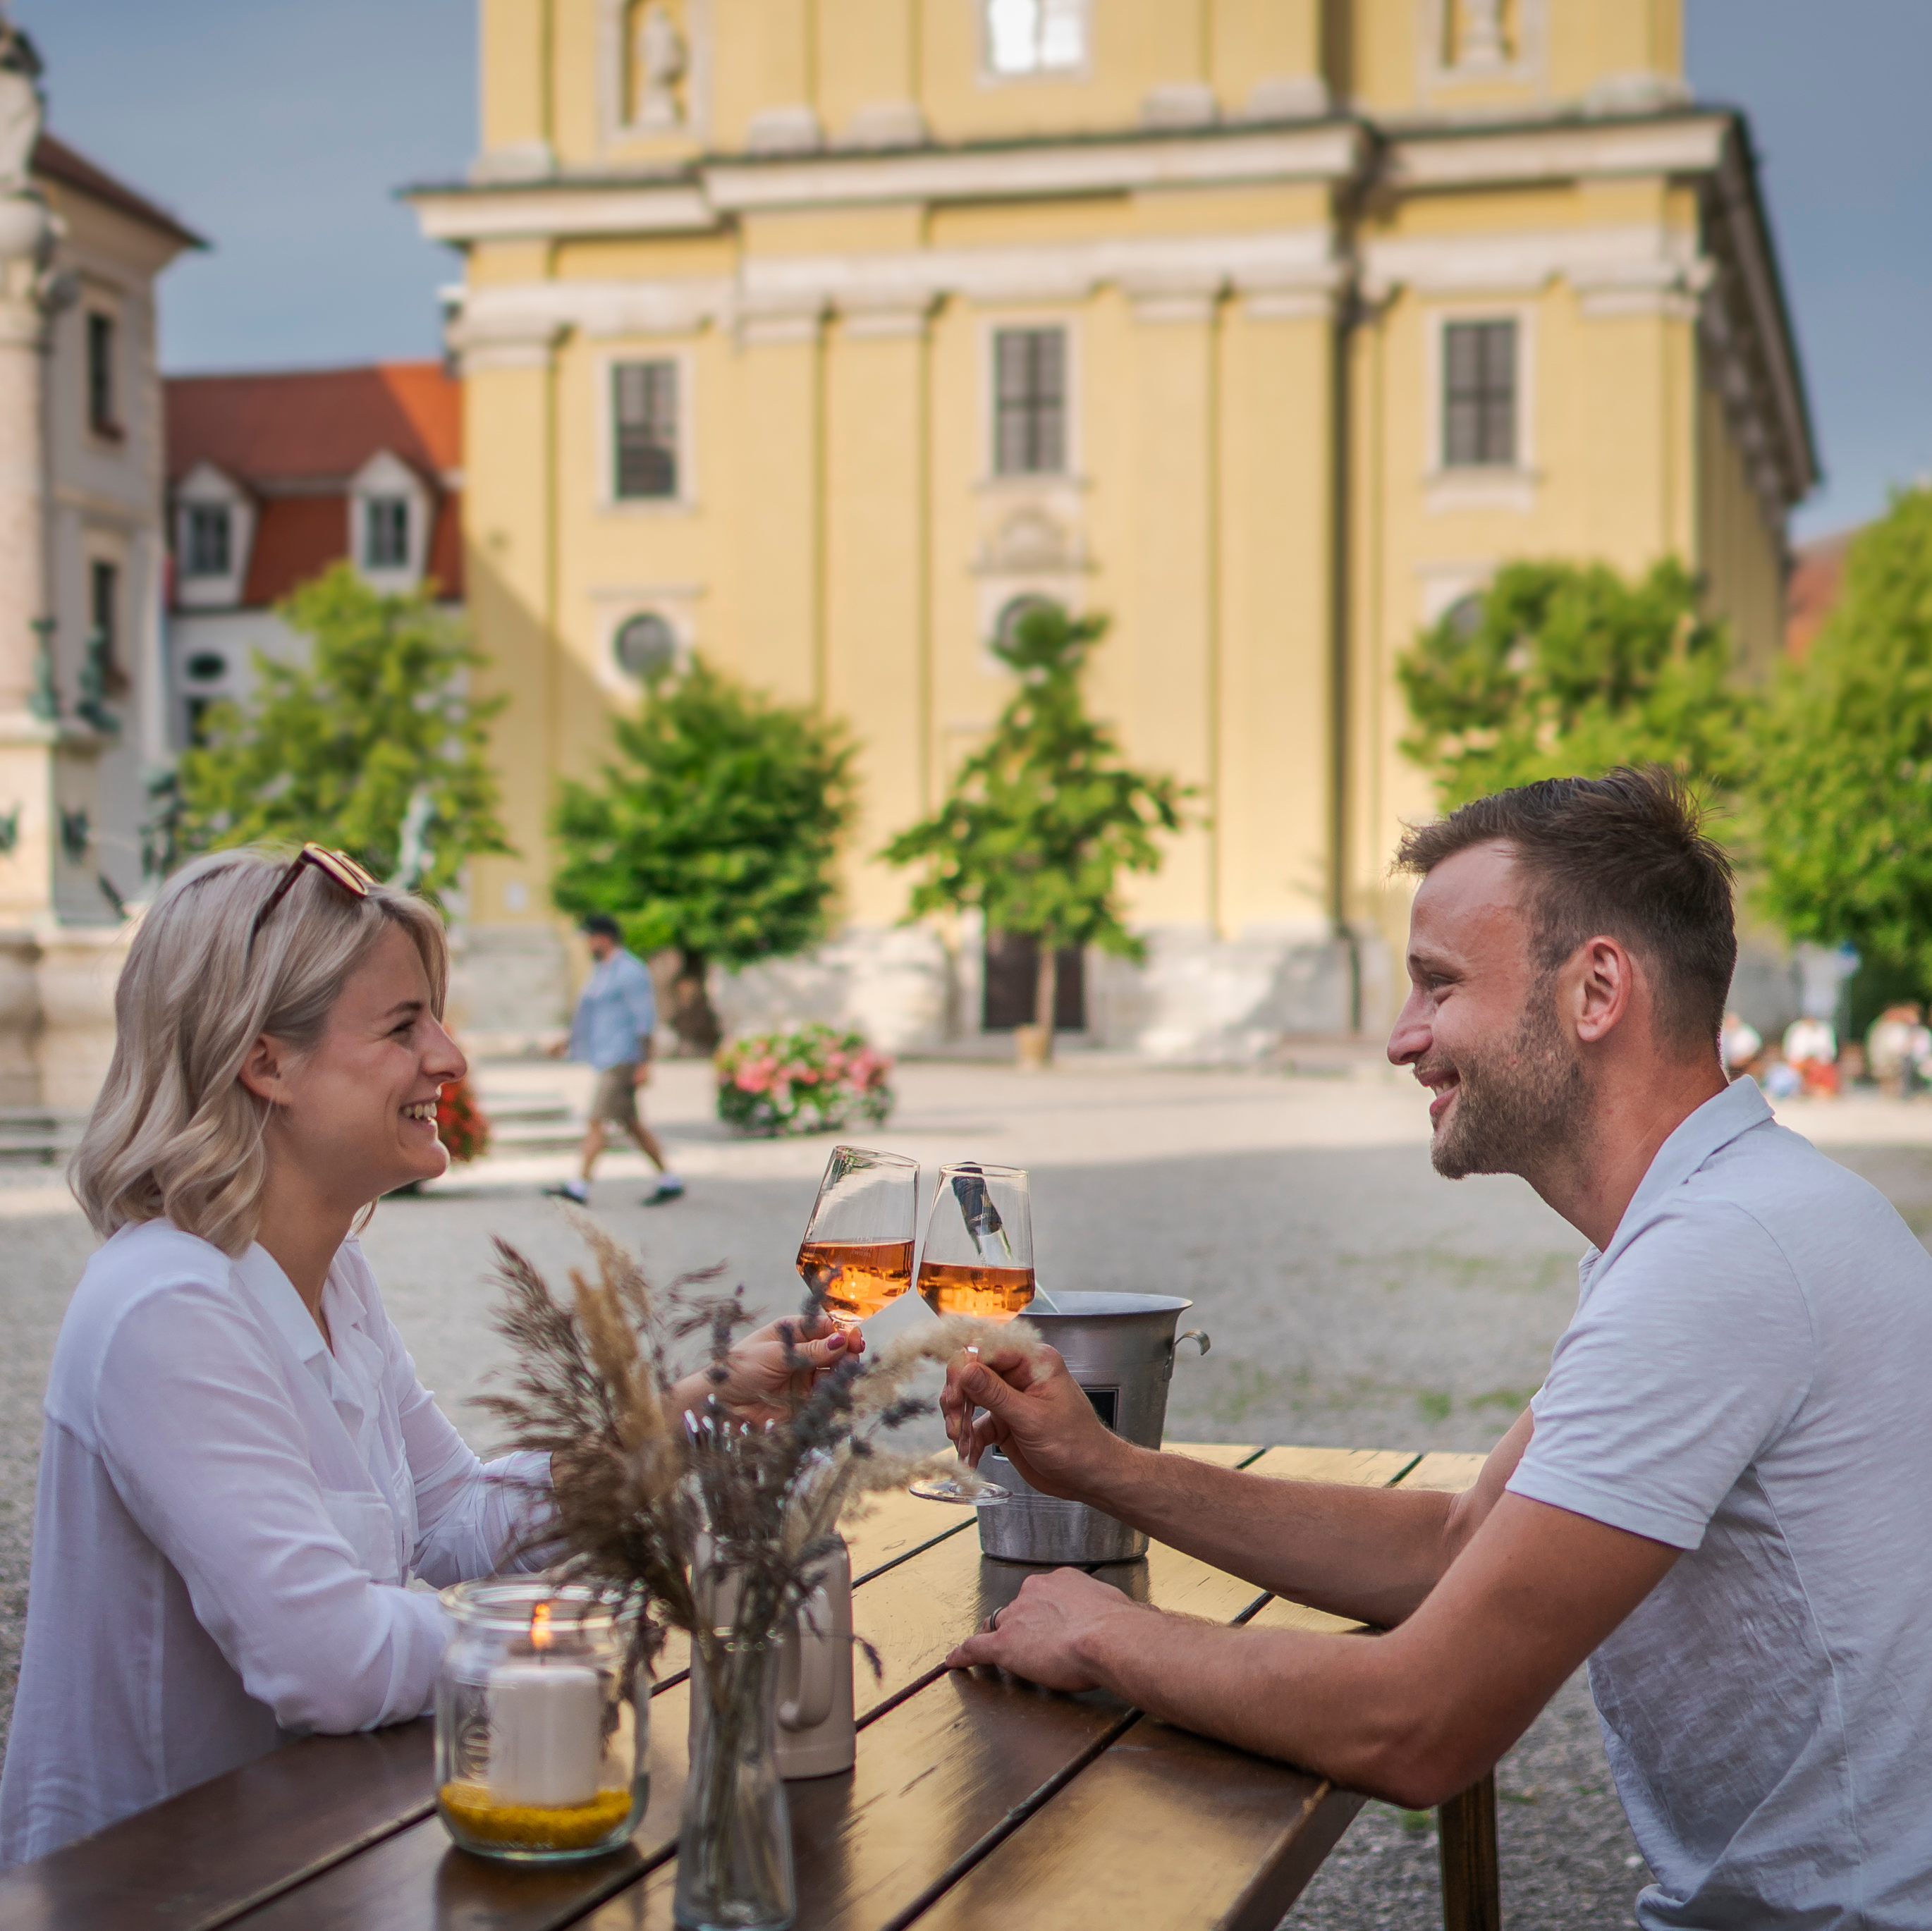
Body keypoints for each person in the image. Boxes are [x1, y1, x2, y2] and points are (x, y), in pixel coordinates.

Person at [941, 769, 1932, 1929]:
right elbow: (1460, 1542)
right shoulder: (1731, 1211)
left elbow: (1417, 1724)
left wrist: (1106, 1630)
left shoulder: (1721, 1257)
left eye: (1438, 983)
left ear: (1596, 988)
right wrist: (1101, 1465)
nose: (1404, 1039)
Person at [0, 845, 855, 1870]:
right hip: (164, 1888)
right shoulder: (167, 1304)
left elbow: (454, 1520)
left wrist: (696, 1403)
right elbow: (327, 1662)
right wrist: (567, 1629)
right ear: (265, 1059)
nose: (450, 1057)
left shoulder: (329, 1276)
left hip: (311, 1853)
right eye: (405, 1025)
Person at [546, 914, 681, 1206]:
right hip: (607, 1055)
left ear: (603, 938)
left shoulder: (630, 971)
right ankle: (670, 1179)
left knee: (596, 1120)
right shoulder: (602, 971)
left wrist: (645, 1063)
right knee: (631, 1123)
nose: (586, 945)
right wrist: (569, 1041)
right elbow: (592, 1013)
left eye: (589, 938)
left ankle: (580, 1185)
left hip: (624, 1058)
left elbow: (644, 1020)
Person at [1781, 1011, 1839, 1098]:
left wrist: (1816, 1060)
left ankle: (1817, 1090)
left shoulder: (1824, 1029)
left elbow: (1830, 1052)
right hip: (1800, 1063)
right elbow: (1789, 1052)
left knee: (1826, 1072)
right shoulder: (1796, 1029)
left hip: (1820, 1063)